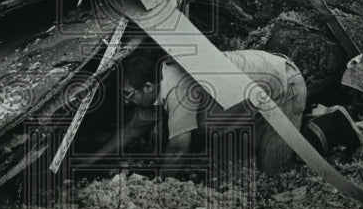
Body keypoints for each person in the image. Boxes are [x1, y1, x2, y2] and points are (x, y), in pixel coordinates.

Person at [93, 42, 308, 175]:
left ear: (148, 88)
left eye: (128, 94)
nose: (126, 101)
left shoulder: (177, 87)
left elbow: (178, 148)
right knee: (240, 158)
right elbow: (133, 129)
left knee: (271, 173)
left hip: (283, 85)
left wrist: (158, 188)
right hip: (253, 96)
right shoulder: (157, 85)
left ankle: (320, 133)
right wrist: (91, 159)